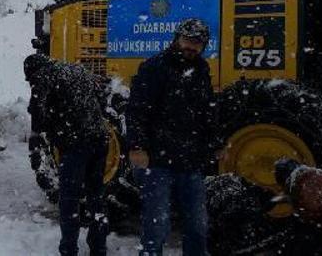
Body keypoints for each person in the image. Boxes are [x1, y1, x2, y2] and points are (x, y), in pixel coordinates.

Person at [125, 18, 217, 256]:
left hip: (190, 161)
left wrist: (214, 143)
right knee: (157, 226)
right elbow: (137, 110)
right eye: (187, 40)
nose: (191, 46)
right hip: (157, 162)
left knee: (197, 225)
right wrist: (136, 147)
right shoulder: (154, 67)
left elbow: (207, 111)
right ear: (177, 39)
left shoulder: (201, 70)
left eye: (197, 43)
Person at [24, 53, 110, 256]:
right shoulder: (78, 69)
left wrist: (38, 138)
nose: (30, 83)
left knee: (69, 199)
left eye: (29, 79)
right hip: (99, 140)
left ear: (32, 72)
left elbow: (37, 112)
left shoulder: (43, 76)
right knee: (97, 197)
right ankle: (99, 248)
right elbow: (101, 98)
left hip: (75, 145)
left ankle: (69, 249)